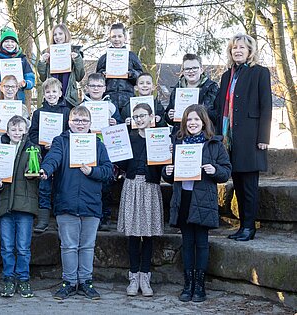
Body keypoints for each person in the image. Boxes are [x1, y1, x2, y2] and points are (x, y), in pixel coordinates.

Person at [39, 106, 113, 300]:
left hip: (91, 203)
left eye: (84, 121)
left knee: (87, 246)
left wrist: (92, 172)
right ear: (69, 122)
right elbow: (53, 158)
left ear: (90, 123)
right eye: (76, 120)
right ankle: (69, 282)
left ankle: (86, 281)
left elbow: (108, 171)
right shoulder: (60, 142)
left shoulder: (97, 144)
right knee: (69, 246)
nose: (80, 124)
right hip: (67, 201)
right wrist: (45, 169)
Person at [162, 104, 231, 303]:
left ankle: (199, 286)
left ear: (204, 122)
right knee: (187, 243)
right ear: (184, 122)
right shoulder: (176, 142)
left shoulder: (214, 144)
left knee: (201, 243)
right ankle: (188, 284)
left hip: (203, 200)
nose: (192, 123)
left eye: (196, 120)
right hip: (183, 198)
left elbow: (226, 171)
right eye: (189, 120)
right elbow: (168, 174)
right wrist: (167, 172)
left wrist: (214, 170)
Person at [213, 34, 272, 241]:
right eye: (234, 48)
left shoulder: (260, 73)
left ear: (250, 51)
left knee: (248, 186)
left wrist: (264, 137)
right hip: (230, 139)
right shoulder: (226, 75)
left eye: (241, 48)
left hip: (250, 138)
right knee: (237, 183)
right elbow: (220, 106)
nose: (237, 50)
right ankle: (242, 227)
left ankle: (249, 227)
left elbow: (266, 106)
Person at [0, 115, 40, 298]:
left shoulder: (33, 148)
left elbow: (37, 173)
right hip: (5, 206)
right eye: (13, 129)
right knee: (7, 247)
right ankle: (8, 279)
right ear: (7, 131)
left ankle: (24, 279)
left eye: (20, 129)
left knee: (23, 247)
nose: (17, 132)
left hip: (25, 205)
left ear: (25, 130)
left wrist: (35, 172)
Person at [117, 103, 164, 297]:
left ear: (151, 117)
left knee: (148, 234)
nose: (139, 119)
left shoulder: (160, 137)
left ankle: (145, 276)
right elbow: (121, 162)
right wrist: (115, 149)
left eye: (142, 115)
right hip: (132, 185)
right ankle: (133, 276)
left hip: (151, 187)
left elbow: (163, 165)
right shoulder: (129, 137)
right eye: (135, 117)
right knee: (134, 235)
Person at [79, 72, 123, 231]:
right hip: (87, 149)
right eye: (92, 86)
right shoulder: (82, 106)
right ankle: (88, 215)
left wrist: (115, 122)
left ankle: (104, 217)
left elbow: (119, 128)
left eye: (99, 86)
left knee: (106, 185)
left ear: (104, 88)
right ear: (87, 88)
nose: (96, 88)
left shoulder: (111, 106)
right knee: (88, 183)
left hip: (107, 150)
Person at [0, 74, 31, 231]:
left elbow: (27, 128)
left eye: (13, 87)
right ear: (1, 88)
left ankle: (13, 211)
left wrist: (26, 122)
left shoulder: (23, 107)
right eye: (7, 86)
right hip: (0, 145)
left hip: (17, 147)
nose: (10, 89)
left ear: (18, 88)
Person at [28, 78, 71, 233]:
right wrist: (41, 143)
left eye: (54, 91)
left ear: (60, 93)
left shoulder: (67, 112)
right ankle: (43, 219)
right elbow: (32, 134)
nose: (51, 95)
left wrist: (58, 143)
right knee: (44, 186)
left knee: (61, 187)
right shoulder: (38, 113)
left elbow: (69, 132)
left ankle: (60, 219)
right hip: (44, 155)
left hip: (62, 156)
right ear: (44, 95)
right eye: (48, 92)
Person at [96, 23, 143, 120]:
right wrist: (102, 75)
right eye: (113, 36)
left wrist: (131, 74)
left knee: (129, 127)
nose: (117, 39)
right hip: (109, 100)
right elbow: (96, 79)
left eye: (119, 36)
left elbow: (141, 76)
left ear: (125, 38)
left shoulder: (132, 56)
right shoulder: (103, 58)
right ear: (110, 38)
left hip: (128, 100)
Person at [164, 54, 218, 135]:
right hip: (180, 136)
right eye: (187, 68)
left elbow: (217, 115)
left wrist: (199, 113)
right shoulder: (177, 89)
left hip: (204, 136)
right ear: (183, 71)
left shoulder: (212, 88)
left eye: (195, 68)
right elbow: (169, 116)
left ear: (201, 69)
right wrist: (169, 115)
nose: (191, 71)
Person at [37, 23, 85, 108]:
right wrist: (42, 62)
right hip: (52, 96)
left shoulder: (75, 52)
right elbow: (43, 78)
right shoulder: (47, 52)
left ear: (66, 35)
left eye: (60, 34)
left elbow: (79, 77)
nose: (57, 37)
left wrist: (77, 59)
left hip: (69, 97)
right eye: (55, 34)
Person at [0, 27, 35, 101]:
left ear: (16, 44)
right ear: (1, 44)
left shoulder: (22, 59)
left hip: (19, 99)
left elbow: (31, 79)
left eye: (12, 41)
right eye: (6, 41)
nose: (9, 44)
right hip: (0, 99)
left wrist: (25, 84)